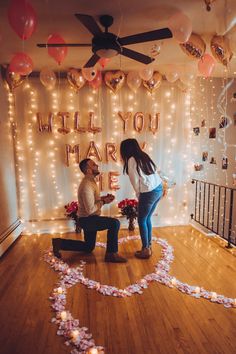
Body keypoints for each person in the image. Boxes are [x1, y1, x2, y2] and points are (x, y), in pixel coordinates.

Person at [52, 158, 127, 263]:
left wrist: (103, 199)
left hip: (89, 218)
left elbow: (92, 201)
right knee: (114, 223)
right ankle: (111, 254)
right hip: (88, 219)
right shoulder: (86, 185)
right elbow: (90, 210)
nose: (97, 165)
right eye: (94, 165)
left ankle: (59, 243)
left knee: (89, 247)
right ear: (88, 170)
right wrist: (103, 202)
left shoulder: (91, 182)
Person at [120, 138, 163, 259]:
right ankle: (148, 246)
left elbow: (135, 181)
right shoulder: (144, 156)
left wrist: (139, 195)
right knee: (147, 218)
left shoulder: (132, 160)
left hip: (149, 192)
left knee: (141, 220)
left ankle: (146, 249)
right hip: (158, 188)